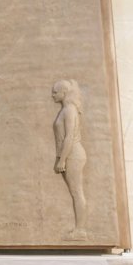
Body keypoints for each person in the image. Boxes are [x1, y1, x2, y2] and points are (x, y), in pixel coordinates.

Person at [51, 79, 87, 239]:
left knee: (77, 192)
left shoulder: (70, 110)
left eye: (55, 92)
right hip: (68, 154)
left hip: (73, 155)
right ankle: (79, 229)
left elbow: (69, 137)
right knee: (75, 192)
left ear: (64, 93)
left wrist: (62, 160)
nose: (52, 95)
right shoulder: (65, 109)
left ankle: (80, 230)